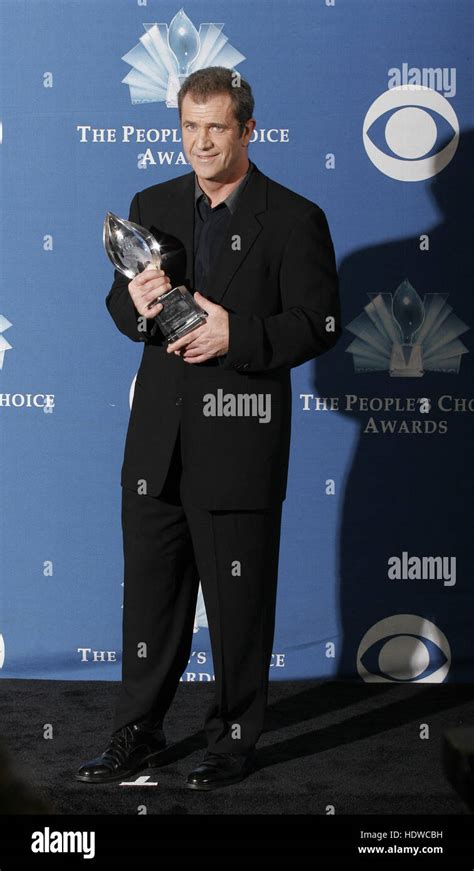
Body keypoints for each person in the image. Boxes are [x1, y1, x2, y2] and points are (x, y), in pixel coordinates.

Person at [75, 66, 342, 791]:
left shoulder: (294, 217)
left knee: (237, 604)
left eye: (216, 128)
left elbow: (318, 324)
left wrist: (237, 335)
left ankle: (231, 739)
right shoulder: (152, 203)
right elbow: (122, 309)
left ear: (248, 130)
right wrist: (134, 302)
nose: (200, 142)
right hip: (156, 443)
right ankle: (138, 731)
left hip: (240, 437)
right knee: (150, 599)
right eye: (190, 128)